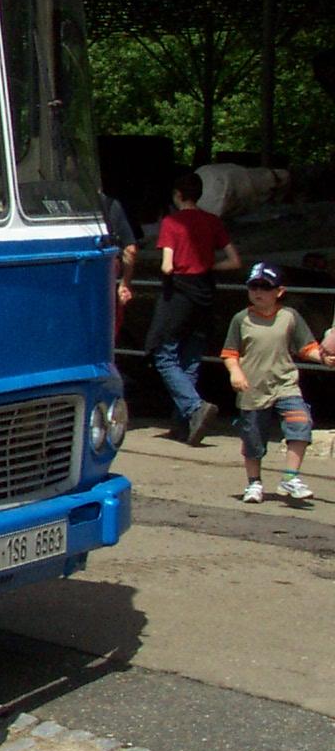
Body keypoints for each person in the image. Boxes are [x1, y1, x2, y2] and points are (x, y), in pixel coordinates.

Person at [220, 263, 330, 503]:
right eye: (253, 286)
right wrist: (235, 372)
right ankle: (254, 483)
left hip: (285, 384)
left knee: (301, 423)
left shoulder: (289, 316)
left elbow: (306, 347)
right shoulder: (241, 319)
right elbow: (230, 353)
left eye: (265, 287)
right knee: (253, 440)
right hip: (253, 388)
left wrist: (323, 358)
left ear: (279, 291)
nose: (258, 292)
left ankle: (290, 477)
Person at [147, 169, 242, 444]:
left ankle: (194, 407)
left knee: (164, 354)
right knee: (191, 359)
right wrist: (209, 266)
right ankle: (184, 425)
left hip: (178, 294)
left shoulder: (172, 223)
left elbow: (167, 266)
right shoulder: (212, 221)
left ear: (177, 195)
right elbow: (235, 260)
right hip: (205, 293)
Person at [102, 190, 139, 336]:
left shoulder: (63, 204)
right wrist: (125, 283)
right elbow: (130, 250)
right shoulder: (111, 205)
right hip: (107, 278)